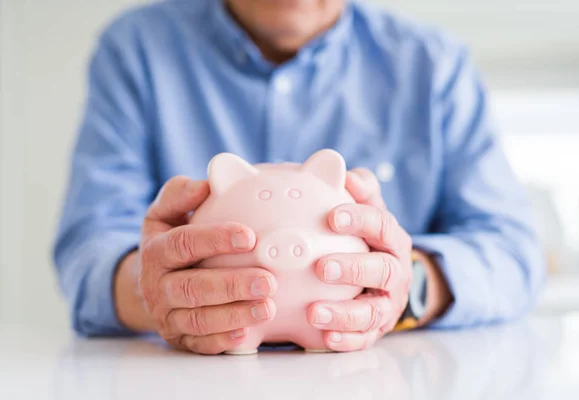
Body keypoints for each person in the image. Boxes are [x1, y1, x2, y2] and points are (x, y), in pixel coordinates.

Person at [53, 0, 545, 354]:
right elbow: (88, 248)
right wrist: (155, 288)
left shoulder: (434, 65)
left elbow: (513, 252)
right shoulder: (137, 49)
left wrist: (406, 287)